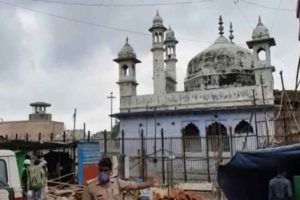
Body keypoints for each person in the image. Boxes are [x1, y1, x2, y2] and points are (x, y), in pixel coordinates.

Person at [82, 157, 159, 200]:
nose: (103, 173)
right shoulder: (89, 186)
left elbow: (135, 185)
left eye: (105, 170)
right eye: (101, 170)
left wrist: (150, 183)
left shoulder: (117, 183)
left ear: (110, 171)